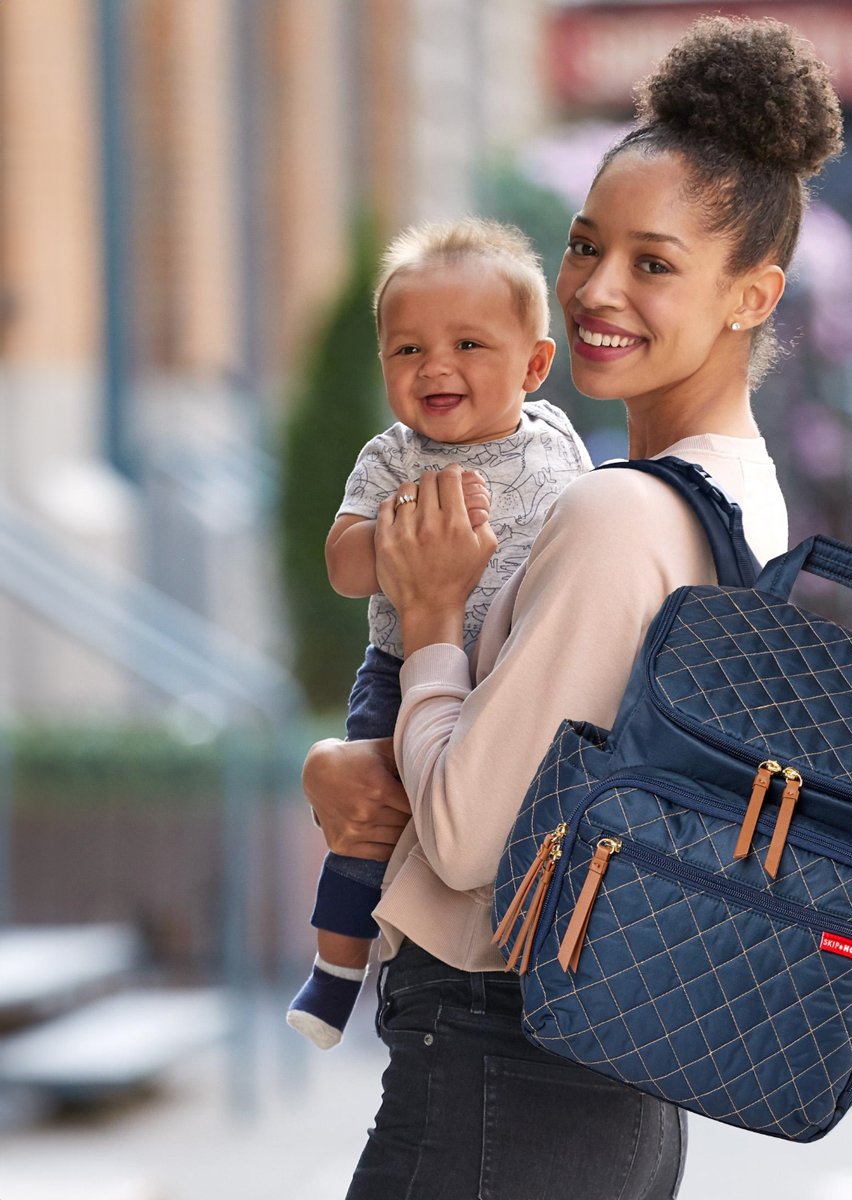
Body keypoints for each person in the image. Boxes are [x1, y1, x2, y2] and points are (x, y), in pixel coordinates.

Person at [302, 16, 844, 1197]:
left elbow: (464, 836)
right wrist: (345, 762)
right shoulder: (739, 493)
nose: (597, 289)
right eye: (586, 245)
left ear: (755, 295)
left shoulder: (617, 519)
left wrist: (434, 620)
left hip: (502, 1079)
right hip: (597, 1084)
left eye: (654, 264)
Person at [287, 217, 591, 1049]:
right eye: (409, 350)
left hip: (515, 665)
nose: (437, 367)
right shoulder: (391, 459)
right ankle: (337, 966)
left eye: (468, 344)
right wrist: (405, 540)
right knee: (369, 811)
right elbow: (343, 567)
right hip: (400, 665)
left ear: (532, 365)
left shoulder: (558, 442)